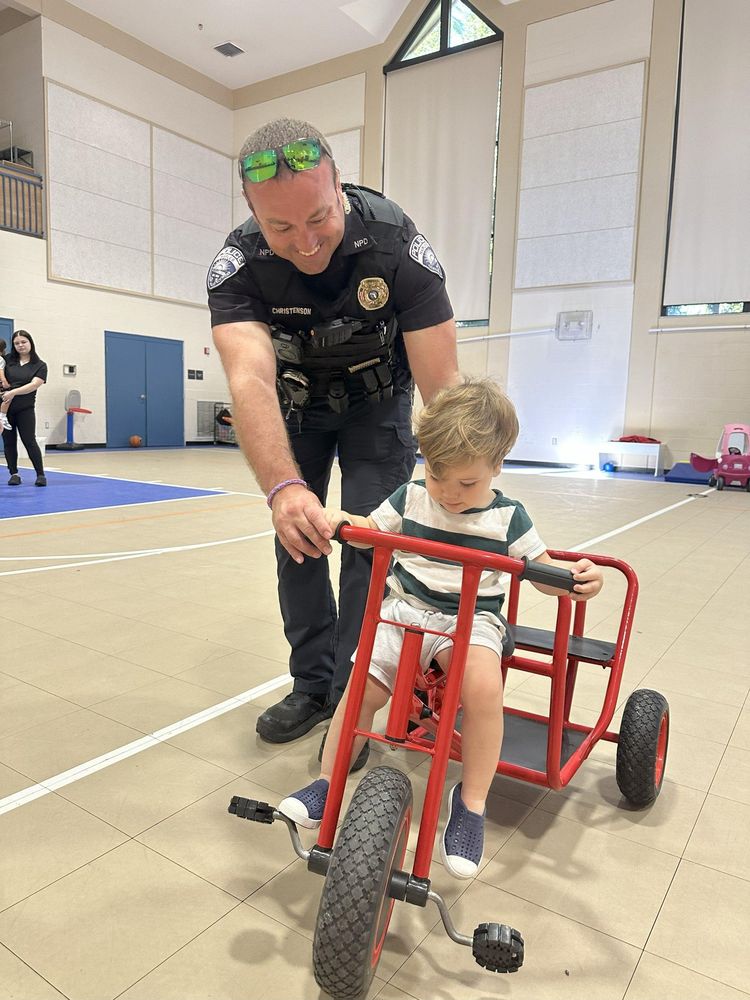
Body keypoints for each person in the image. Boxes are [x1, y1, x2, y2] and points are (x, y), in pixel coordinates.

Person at [278, 379, 604, 879]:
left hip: (471, 622)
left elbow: (542, 573)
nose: (450, 494)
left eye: (467, 483)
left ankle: (471, 803)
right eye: (437, 476)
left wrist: (576, 580)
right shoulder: (411, 497)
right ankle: (328, 781)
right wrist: (346, 519)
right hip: (403, 612)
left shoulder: (508, 517)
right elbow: (373, 532)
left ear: (498, 465)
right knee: (359, 685)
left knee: (482, 691)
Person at [208, 117, 459, 753]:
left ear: (339, 185)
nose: (305, 243)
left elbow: (444, 386)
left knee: (372, 543)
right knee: (299, 538)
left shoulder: (396, 245)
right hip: (295, 408)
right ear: (251, 212)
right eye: (280, 228)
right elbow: (251, 384)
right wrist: (284, 489)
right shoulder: (238, 266)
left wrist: (462, 488)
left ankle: (358, 688)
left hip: (377, 406)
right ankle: (314, 685)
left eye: (318, 217)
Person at [2, 330, 48, 487]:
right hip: (5, 409)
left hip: (25, 409)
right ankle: (14, 474)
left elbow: (34, 385)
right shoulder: (7, 360)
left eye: (23, 342)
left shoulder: (40, 365)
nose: (20, 345)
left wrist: (13, 392)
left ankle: (40, 474)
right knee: (8, 442)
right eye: (16, 343)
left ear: (30, 343)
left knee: (30, 441)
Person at [0, 338, 10, 429]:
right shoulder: (1, 359)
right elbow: (1, 372)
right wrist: (5, 382)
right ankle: (2, 416)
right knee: (8, 397)